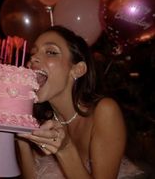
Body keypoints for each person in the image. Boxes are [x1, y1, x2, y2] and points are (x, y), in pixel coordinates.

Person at [16, 25, 143, 179]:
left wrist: (65, 149)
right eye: (33, 52)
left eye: (51, 52)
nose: (32, 59)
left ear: (78, 69)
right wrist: (21, 139)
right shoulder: (41, 120)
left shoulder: (104, 111)